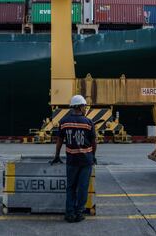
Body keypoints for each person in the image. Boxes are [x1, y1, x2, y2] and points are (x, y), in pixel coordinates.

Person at [51, 95, 97, 223]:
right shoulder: (88, 123)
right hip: (86, 161)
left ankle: (69, 214)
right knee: (82, 187)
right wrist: (93, 156)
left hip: (72, 161)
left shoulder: (64, 122)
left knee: (71, 187)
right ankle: (79, 213)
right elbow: (94, 143)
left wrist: (57, 156)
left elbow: (59, 140)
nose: (85, 109)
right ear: (80, 107)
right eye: (84, 106)